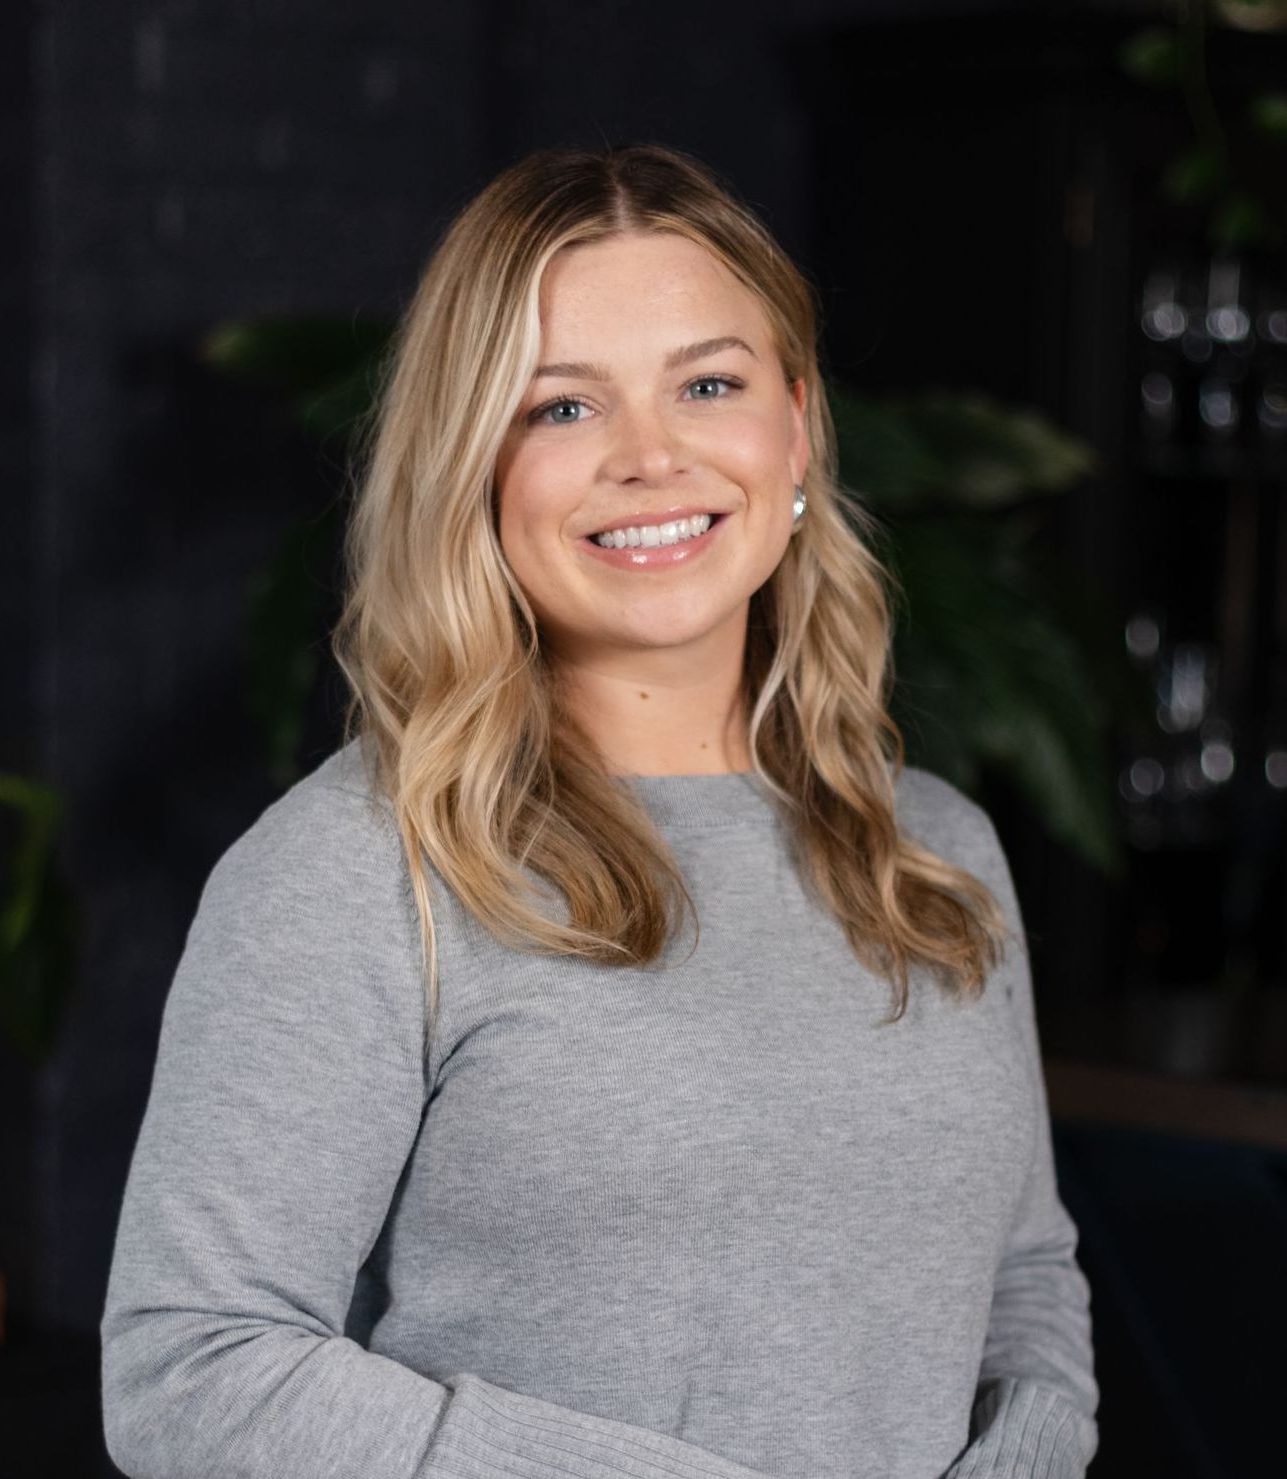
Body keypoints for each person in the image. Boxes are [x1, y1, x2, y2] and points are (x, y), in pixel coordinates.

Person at [100, 143, 1099, 1479]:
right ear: (474, 464)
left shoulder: (936, 850)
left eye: (709, 384)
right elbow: (193, 1371)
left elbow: (1028, 1286)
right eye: (561, 408)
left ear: (794, 426)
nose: (650, 456)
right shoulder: (358, 870)